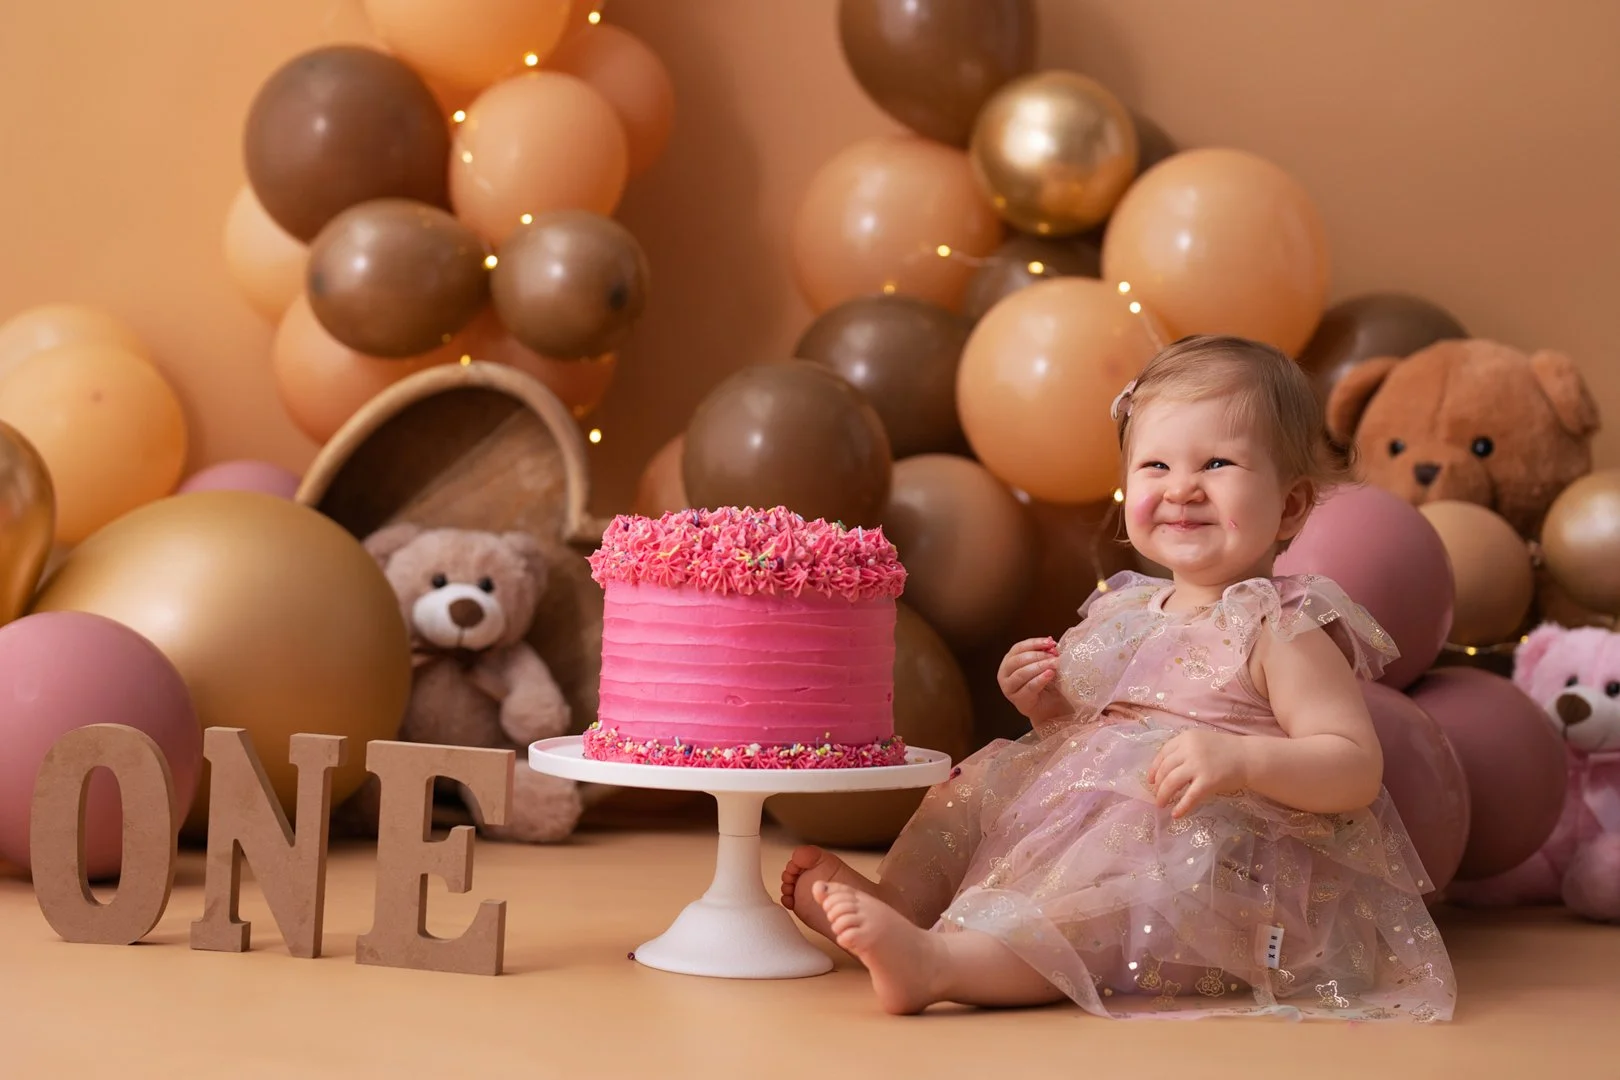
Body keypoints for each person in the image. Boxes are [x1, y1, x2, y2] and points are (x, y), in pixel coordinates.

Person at [779, 334, 1457, 1022]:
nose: (1181, 488)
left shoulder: (1278, 627)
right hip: (1099, 819)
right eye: (1155, 465)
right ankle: (901, 903)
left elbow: (1352, 765)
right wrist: (1043, 705)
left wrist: (1243, 758)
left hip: (1205, 861)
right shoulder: (1124, 605)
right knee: (978, 784)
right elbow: (1084, 738)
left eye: (1217, 463)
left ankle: (939, 966)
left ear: (1289, 507)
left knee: (1092, 908)